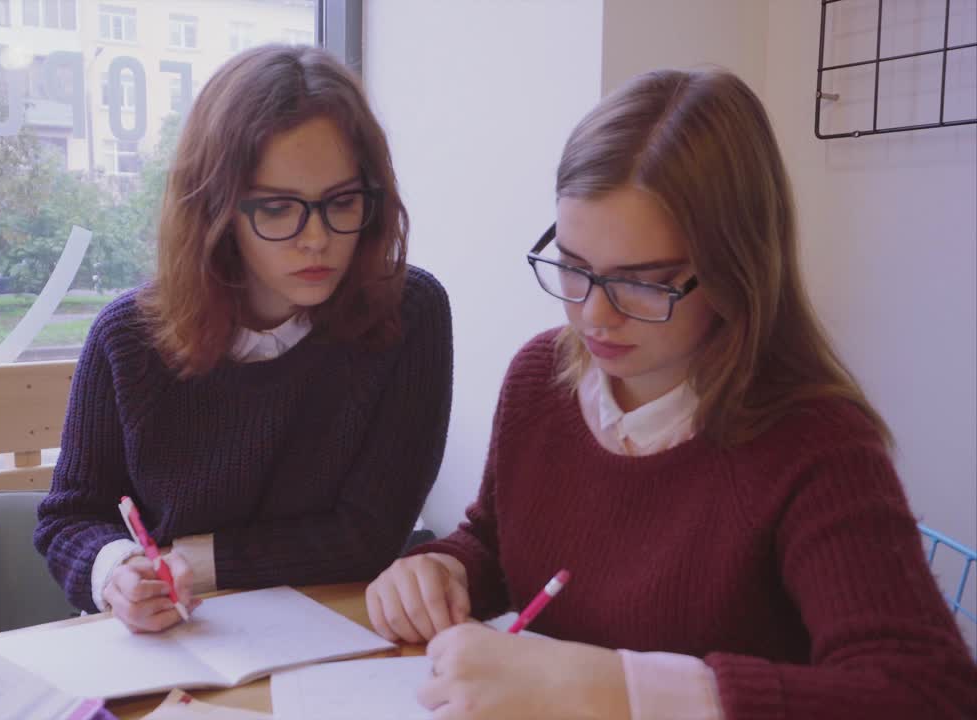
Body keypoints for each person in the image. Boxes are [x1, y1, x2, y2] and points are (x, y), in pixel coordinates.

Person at [366, 68, 977, 719]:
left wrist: (622, 690)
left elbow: (929, 693)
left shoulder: (816, 444)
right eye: (573, 267)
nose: (595, 316)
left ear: (735, 270)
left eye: (643, 282)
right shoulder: (540, 379)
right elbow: (495, 541)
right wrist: (442, 572)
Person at [36, 45, 453, 635]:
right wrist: (118, 571)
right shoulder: (128, 336)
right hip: (174, 639)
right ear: (217, 209)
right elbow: (69, 517)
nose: (317, 239)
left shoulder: (408, 314)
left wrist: (190, 561)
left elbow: (369, 534)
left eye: (342, 202)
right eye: (279, 209)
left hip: (333, 638)